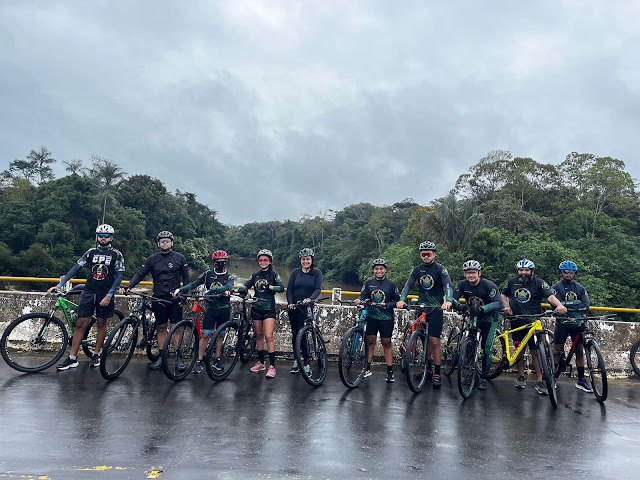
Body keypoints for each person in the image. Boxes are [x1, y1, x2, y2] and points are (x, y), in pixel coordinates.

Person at [47, 224, 125, 370]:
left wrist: (109, 295)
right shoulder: (90, 252)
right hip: (89, 292)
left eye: (106, 236)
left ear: (111, 238)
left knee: (102, 323)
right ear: (97, 237)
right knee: (80, 324)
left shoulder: (117, 254)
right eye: (100, 236)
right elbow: (75, 269)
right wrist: (60, 284)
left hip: (105, 294)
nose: (103, 239)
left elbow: (120, 276)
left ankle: (97, 353)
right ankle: (72, 358)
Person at [119, 231, 189, 370]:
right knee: (161, 327)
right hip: (158, 297)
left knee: (176, 329)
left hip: (175, 298)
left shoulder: (180, 258)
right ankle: (162, 357)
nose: (165, 243)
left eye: (167, 241)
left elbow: (186, 278)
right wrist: (128, 286)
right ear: (158, 243)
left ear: (172, 243)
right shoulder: (152, 259)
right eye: (162, 241)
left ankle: (179, 357)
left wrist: (184, 294)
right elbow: (140, 274)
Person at [501, 259, 567, 394]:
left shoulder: (539, 283)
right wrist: (506, 306)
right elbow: (503, 294)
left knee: (536, 351)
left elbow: (550, 296)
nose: (523, 273)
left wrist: (559, 305)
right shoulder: (512, 282)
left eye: (526, 270)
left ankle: (540, 380)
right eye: (521, 270)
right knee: (519, 348)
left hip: (533, 320)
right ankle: (520, 376)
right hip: (517, 319)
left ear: (532, 272)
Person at [397, 241, 453, 388]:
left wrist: (447, 300)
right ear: (421, 255)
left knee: (434, 341)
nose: (426, 256)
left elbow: (448, 285)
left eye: (429, 254)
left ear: (434, 254)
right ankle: (427, 369)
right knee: (423, 340)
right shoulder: (417, 270)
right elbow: (408, 285)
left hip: (436, 309)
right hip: (421, 308)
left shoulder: (441, 269)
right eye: (423, 254)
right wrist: (402, 299)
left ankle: (437, 372)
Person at [174, 250, 234, 374]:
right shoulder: (207, 274)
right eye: (218, 262)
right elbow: (194, 283)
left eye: (223, 262)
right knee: (205, 335)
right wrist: (180, 289)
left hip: (224, 309)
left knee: (220, 335)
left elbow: (228, 287)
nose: (220, 264)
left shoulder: (229, 276)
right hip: (211, 309)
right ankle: (200, 360)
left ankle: (217, 358)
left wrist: (211, 292)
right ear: (214, 263)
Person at [452, 260, 503, 390]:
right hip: (473, 317)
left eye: (473, 272)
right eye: (468, 273)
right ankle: (469, 371)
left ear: (479, 273)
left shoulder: (488, 285)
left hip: (489, 319)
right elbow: (451, 298)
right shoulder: (462, 285)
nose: (471, 276)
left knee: (486, 348)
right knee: (470, 345)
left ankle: (483, 377)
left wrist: (483, 309)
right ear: (465, 274)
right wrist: (460, 306)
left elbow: (498, 303)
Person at [354, 258, 402, 383]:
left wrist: (388, 305)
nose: (379, 271)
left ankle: (390, 371)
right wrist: (359, 299)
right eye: (376, 269)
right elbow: (363, 295)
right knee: (370, 342)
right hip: (372, 316)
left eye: (381, 268)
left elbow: (397, 301)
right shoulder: (368, 283)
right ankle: (367, 368)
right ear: (373, 271)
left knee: (386, 342)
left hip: (386, 318)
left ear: (385, 270)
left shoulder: (391, 285)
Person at [552, 260, 593, 393]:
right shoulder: (556, 287)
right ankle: (553, 377)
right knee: (557, 350)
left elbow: (586, 305)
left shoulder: (580, 288)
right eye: (566, 272)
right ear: (561, 273)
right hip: (562, 323)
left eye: (571, 272)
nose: (568, 274)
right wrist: (575, 305)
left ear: (575, 274)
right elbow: (555, 304)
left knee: (580, 351)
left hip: (577, 323)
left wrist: (567, 305)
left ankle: (581, 380)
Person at [244, 249, 285, 378]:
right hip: (256, 307)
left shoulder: (274, 275)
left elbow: (281, 287)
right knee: (258, 335)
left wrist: (271, 287)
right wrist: (243, 289)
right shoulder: (255, 275)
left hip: (269, 309)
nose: (263, 262)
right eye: (261, 260)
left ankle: (272, 366)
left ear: (270, 261)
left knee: (268, 336)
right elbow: (246, 284)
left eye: (265, 260)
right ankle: (261, 363)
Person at [286, 247, 323, 375]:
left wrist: (310, 299)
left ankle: (306, 362)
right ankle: (296, 359)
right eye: (303, 259)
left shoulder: (317, 273)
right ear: (300, 260)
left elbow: (317, 289)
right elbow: (289, 289)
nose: (305, 261)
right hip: (294, 307)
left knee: (303, 333)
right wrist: (290, 303)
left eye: (307, 259)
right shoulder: (295, 272)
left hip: (306, 307)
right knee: (295, 334)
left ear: (312, 260)